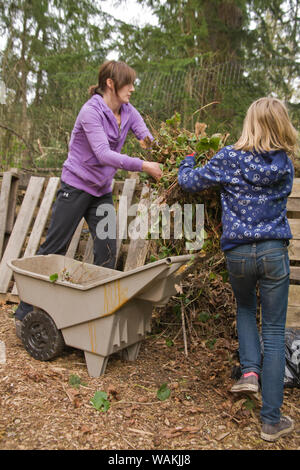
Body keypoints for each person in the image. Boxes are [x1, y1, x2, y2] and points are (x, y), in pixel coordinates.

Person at [177, 97, 298, 442]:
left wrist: (187, 160)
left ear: (250, 123)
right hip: (274, 253)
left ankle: (249, 373)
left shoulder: (230, 157)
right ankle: (271, 422)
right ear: (280, 126)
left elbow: (189, 182)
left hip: (239, 254)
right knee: (274, 333)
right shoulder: (285, 164)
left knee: (246, 307)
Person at [15, 60, 162, 326]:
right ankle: (25, 313)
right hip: (75, 187)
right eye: (128, 83)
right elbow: (103, 154)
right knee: (54, 250)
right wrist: (144, 166)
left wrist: (167, 154)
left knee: (107, 250)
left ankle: (93, 317)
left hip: (101, 192)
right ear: (111, 84)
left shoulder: (128, 111)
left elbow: (147, 138)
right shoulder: (90, 112)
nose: (132, 89)